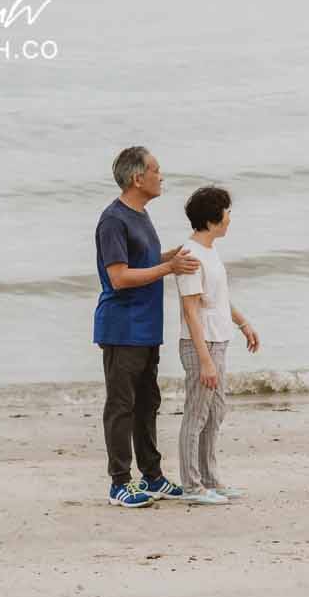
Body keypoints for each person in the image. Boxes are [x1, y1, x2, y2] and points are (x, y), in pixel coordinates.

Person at [94, 146, 200, 509]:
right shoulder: (113, 220)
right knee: (121, 405)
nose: (161, 175)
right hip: (121, 328)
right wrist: (168, 269)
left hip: (147, 328)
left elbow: (144, 261)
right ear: (137, 178)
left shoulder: (142, 216)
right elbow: (119, 276)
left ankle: (152, 476)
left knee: (147, 403)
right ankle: (119, 484)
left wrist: (176, 256)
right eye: (156, 170)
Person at [174, 185, 261, 504]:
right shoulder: (189, 255)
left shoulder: (209, 251)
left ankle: (210, 478)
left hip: (219, 338)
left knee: (215, 412)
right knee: (197, 413)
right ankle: (191, 485)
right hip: (201, 344)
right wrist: (205, 360)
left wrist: (243, 323)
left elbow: (220, 299)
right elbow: (191, 310)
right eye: (226, 212)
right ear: (212, 219)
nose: (229, 218)